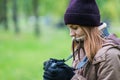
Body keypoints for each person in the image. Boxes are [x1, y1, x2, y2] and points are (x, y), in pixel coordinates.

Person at [43, 0, 120, 80]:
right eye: (69, 28)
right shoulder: (82, 45)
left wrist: (70, 77)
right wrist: (60, 72)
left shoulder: (110, 55)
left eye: (75, 28)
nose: (71, 34)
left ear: (89, 26)